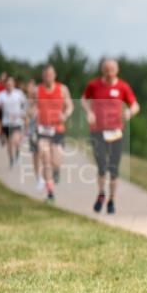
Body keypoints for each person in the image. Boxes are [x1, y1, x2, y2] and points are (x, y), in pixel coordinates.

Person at [81, 58, 139, 213]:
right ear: (102, 70)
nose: (109, 72)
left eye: (112, 69)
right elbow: (83, 100)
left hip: (115, 132)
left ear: (117, 70)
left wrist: (129, 112)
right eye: (106, 69)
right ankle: (101, 194)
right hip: (97, 130)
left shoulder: (123, 87)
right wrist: (89, 112)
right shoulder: (93, 85)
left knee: (113, 167)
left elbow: (135, 105)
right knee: (101, 165)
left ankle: (112, 200)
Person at [35, 65, 74, 202]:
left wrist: (65, 114)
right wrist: (31, 113)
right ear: (43, 76)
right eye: (45, 75)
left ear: (55, 75)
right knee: (45, 159)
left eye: (50, 74)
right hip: (42, 130)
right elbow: (31, 107)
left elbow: (70, 106)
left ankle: (56, 171)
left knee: (56, 162)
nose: (48, 77)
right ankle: (50, 193)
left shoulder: (62, 89)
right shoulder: (37, 90)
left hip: (58, 129)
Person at [0, 76, 28, 167]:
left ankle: (18, 153)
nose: (9, 85)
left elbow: (25, 104)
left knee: (16, 140)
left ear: (14, 84)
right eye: (8, 84)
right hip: (6, 122)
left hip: (17, 121)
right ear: (5, 85)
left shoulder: (18, 93)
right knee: (9, 143)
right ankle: (11, 159)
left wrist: (23, 114)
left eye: (11, 84)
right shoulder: (1, 95)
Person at [23, 78, 42, 189]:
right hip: (33, 133)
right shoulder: (28, 104)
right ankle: (38, 177)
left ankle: (45, 175)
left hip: (43, 132)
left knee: (42, 153)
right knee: (36, 155)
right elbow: (27, 117)